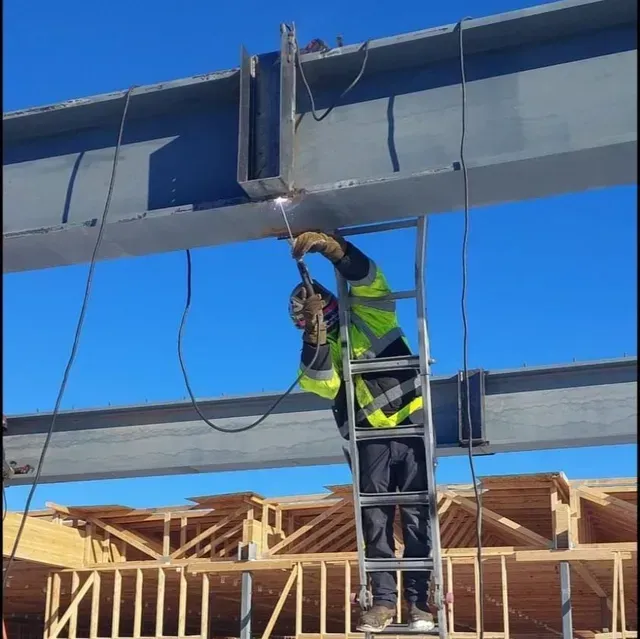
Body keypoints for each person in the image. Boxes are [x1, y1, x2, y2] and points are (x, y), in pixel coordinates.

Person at [289, 231, 434, 633]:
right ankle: (384, 602)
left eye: (315, 315)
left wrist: (335, 251)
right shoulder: (325, 349)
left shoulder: (373, 315)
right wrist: (315, 338)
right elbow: (318, 383)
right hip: (369, 442)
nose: (315, 319)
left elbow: (371, 280)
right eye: (308, 319)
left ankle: (421, 604)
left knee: (420, 517)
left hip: (412, 429)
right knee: (376, 523)